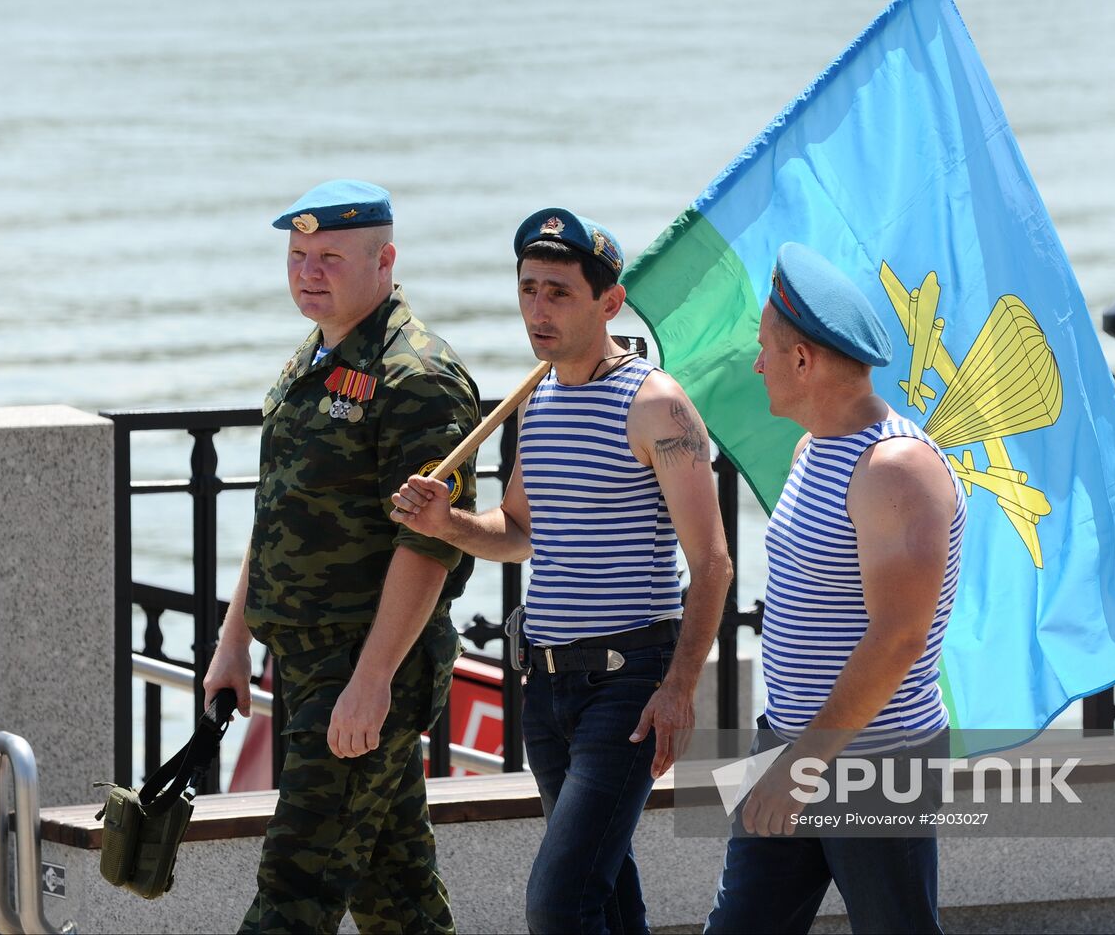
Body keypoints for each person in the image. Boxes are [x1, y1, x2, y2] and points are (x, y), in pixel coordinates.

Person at [392, 207, 733, 934]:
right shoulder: (536, 400)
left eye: (559, 293)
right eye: (527, 290)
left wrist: (679, 689)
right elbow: (518, 531)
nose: (537, 311)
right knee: (605, 895)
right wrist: (443, 522)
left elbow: (712, 564)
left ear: (608, 302)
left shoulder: (657, 406)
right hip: (545, 688)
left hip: (627, 686)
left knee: (558, 900)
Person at [202, 179, 481, 934]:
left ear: (384, 260)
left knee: (294, 893)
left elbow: (427, 548)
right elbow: (275, 518)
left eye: (329, 257)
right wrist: (234, 643)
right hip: (308, 665)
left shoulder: (417, 378)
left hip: (363, 668)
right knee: (399, 900)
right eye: (297, 256)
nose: (307, 272)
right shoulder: (312, 360)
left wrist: (371, 682)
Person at [705, 243, 966, 935]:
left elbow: (900, 636)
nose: (757, 363)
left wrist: (805, 762)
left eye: (765, 348)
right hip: (791, 744)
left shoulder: (896, 469)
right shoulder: (811, 448)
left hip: (872, 760)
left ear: (802, 361)